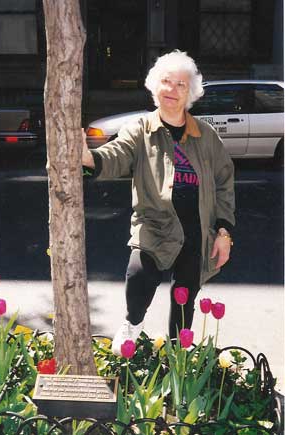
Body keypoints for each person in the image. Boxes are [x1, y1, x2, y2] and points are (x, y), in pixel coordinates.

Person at [82, 50, 235, 355]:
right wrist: (87, 157)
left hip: (197, 227)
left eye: (181, 84)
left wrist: (223, 232)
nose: (172, 90)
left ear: (190, 93)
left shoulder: (206, 136)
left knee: (184, 294)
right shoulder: (140, 130)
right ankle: (132, 324)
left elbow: (224, 184)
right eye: (166, 81)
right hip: (154, 223)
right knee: (139, 275)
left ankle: (179, 354)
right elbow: (116, 156)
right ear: (155, 86)